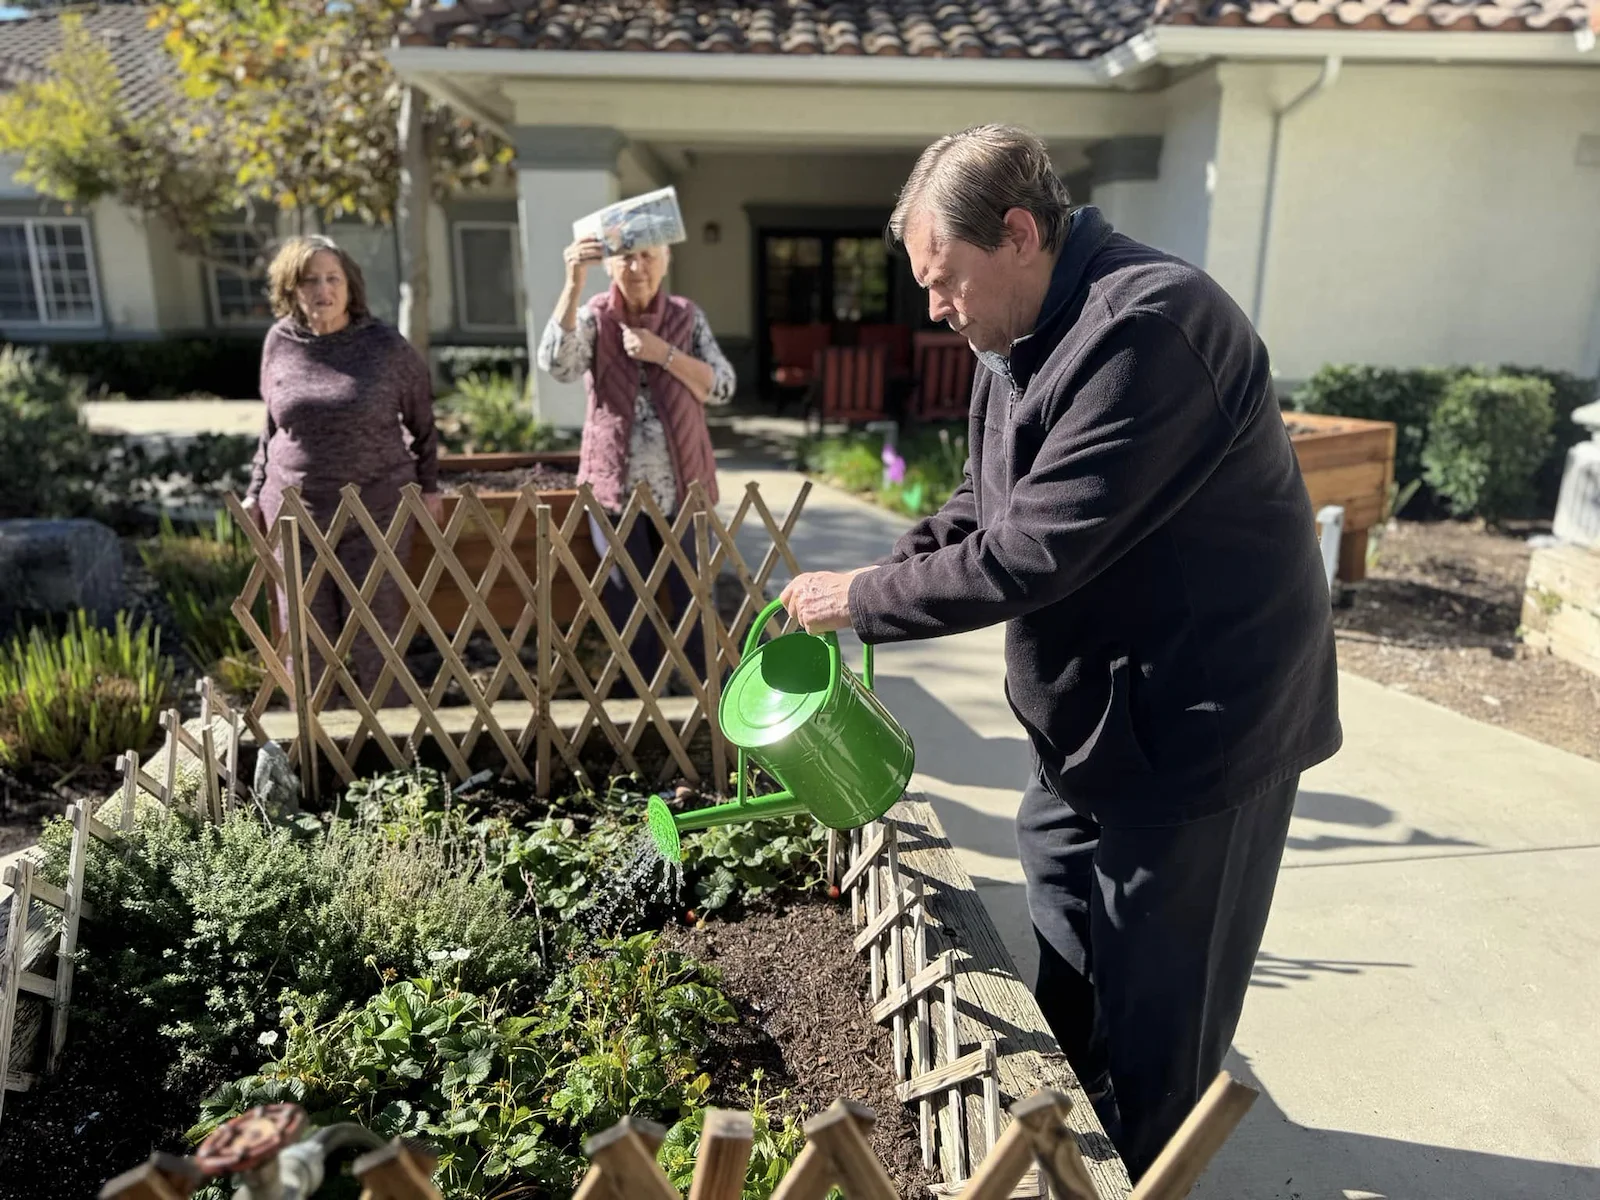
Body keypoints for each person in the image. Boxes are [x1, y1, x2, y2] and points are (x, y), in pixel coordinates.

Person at [779, 125, 1341, 1180]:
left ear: (1021, 234)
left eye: (943, 282)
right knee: (1072, 965)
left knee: (1160, 1017)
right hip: (1089, 722)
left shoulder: (1150, 331)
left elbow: (1036, 550)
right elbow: (982, 501)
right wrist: (885, 571)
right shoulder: (1020, 333)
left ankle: (1141, 1168)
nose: (936, 310)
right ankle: (1069, 1160)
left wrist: (866, 598)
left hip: (1197, 733)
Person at [241, 234, 441, 706]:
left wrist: (430, 487)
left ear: (351, 287)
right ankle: (319, 760)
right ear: (291, 289)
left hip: (376, 509)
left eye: (333, 279)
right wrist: (254, 490)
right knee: (307, 642)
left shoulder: (386, 347)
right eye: (310, 280)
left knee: (378, 639)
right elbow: (272, 427)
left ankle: (393, 759)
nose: (322, 290)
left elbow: (423, 424)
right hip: (295, 512)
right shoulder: (279, 343)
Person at [537, 233, 735, 692]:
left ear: (665, 262)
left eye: (648, 256)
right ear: (610, 266)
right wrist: (572, 283)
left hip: (685, 490)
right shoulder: (594, 317)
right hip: (616, 493)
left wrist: (662, 353)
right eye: (626, 257)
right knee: (631, 608)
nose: (637, 267)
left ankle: (701, 700)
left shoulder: (687, 317)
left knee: (692, 602)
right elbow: (558, 364)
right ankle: (642, 705)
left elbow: (722, 386)